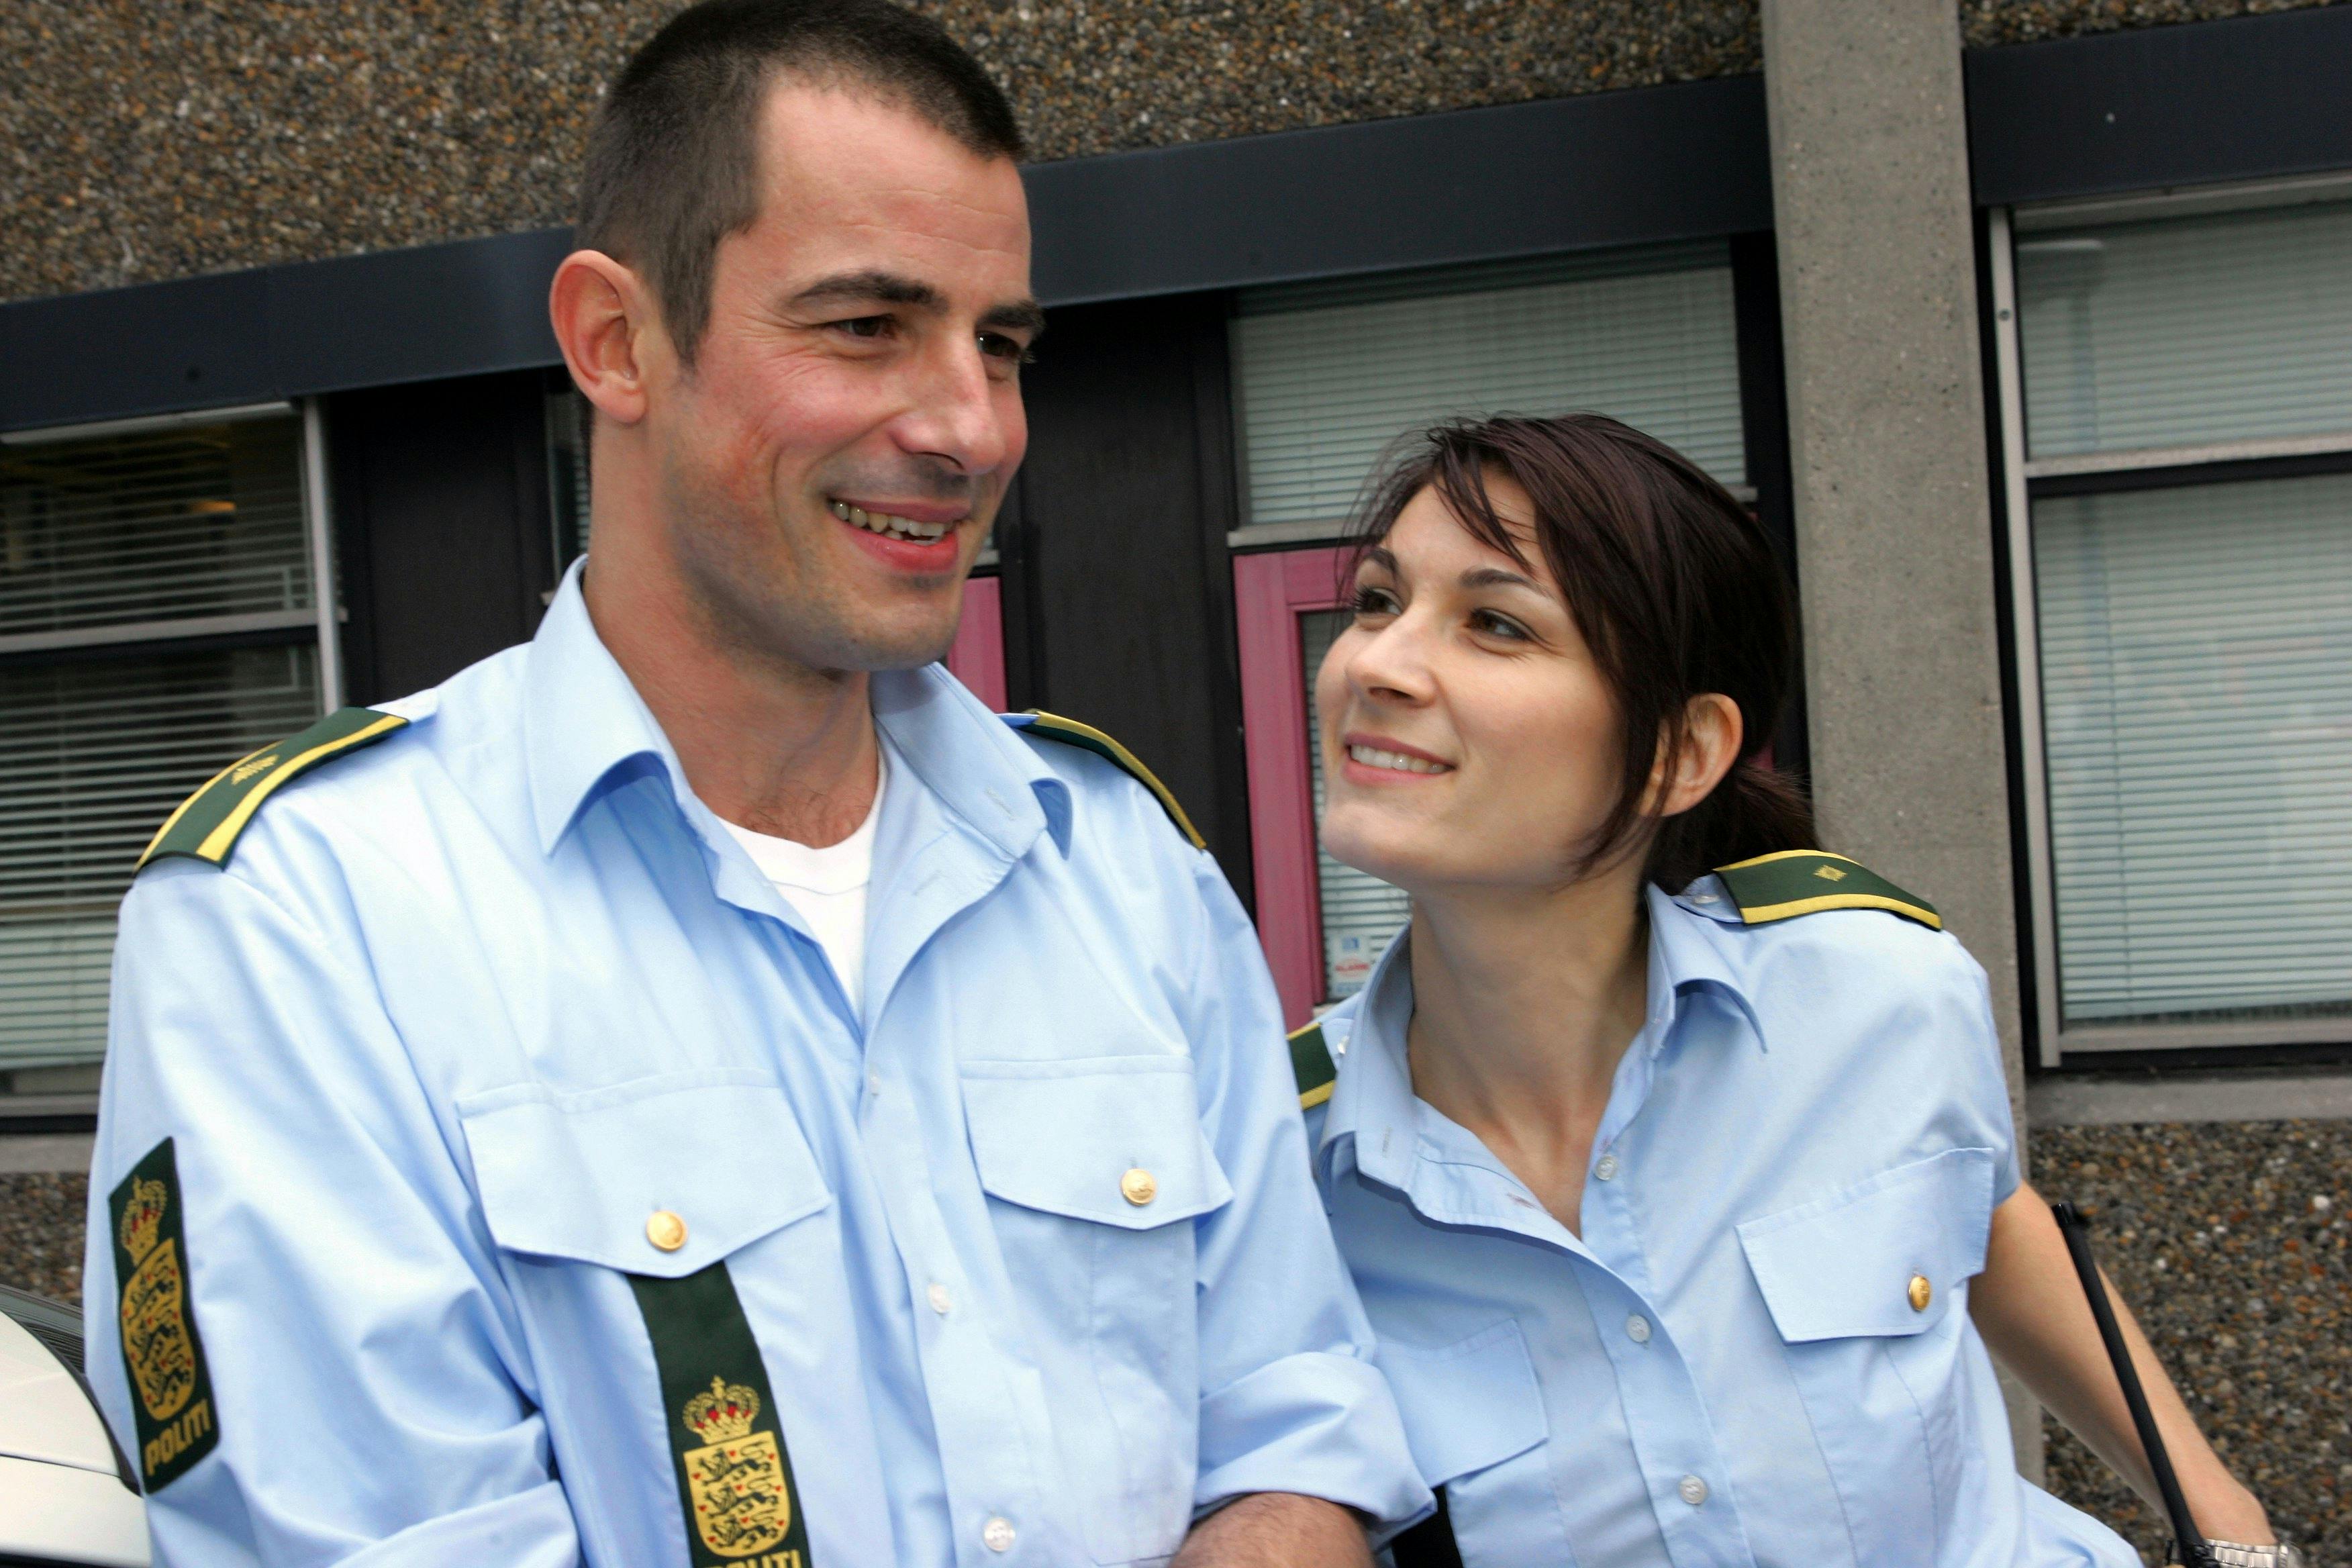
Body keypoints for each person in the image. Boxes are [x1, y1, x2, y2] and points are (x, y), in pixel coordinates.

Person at [81, 3, 1426, 1563]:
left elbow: (1292, 1418)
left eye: (1000, 344)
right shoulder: (304, 921)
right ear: (616, 341)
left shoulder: (1118, 869)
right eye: (866, 325)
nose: (971, 427)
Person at [1289, 413, 2293, 1567]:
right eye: (1376, 601)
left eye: (1496, 623)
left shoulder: (1877, 994)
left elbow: (1981, 1205)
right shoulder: (1292, 1172)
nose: (1374, 662)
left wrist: (2234, 1534)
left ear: (1682, 753)